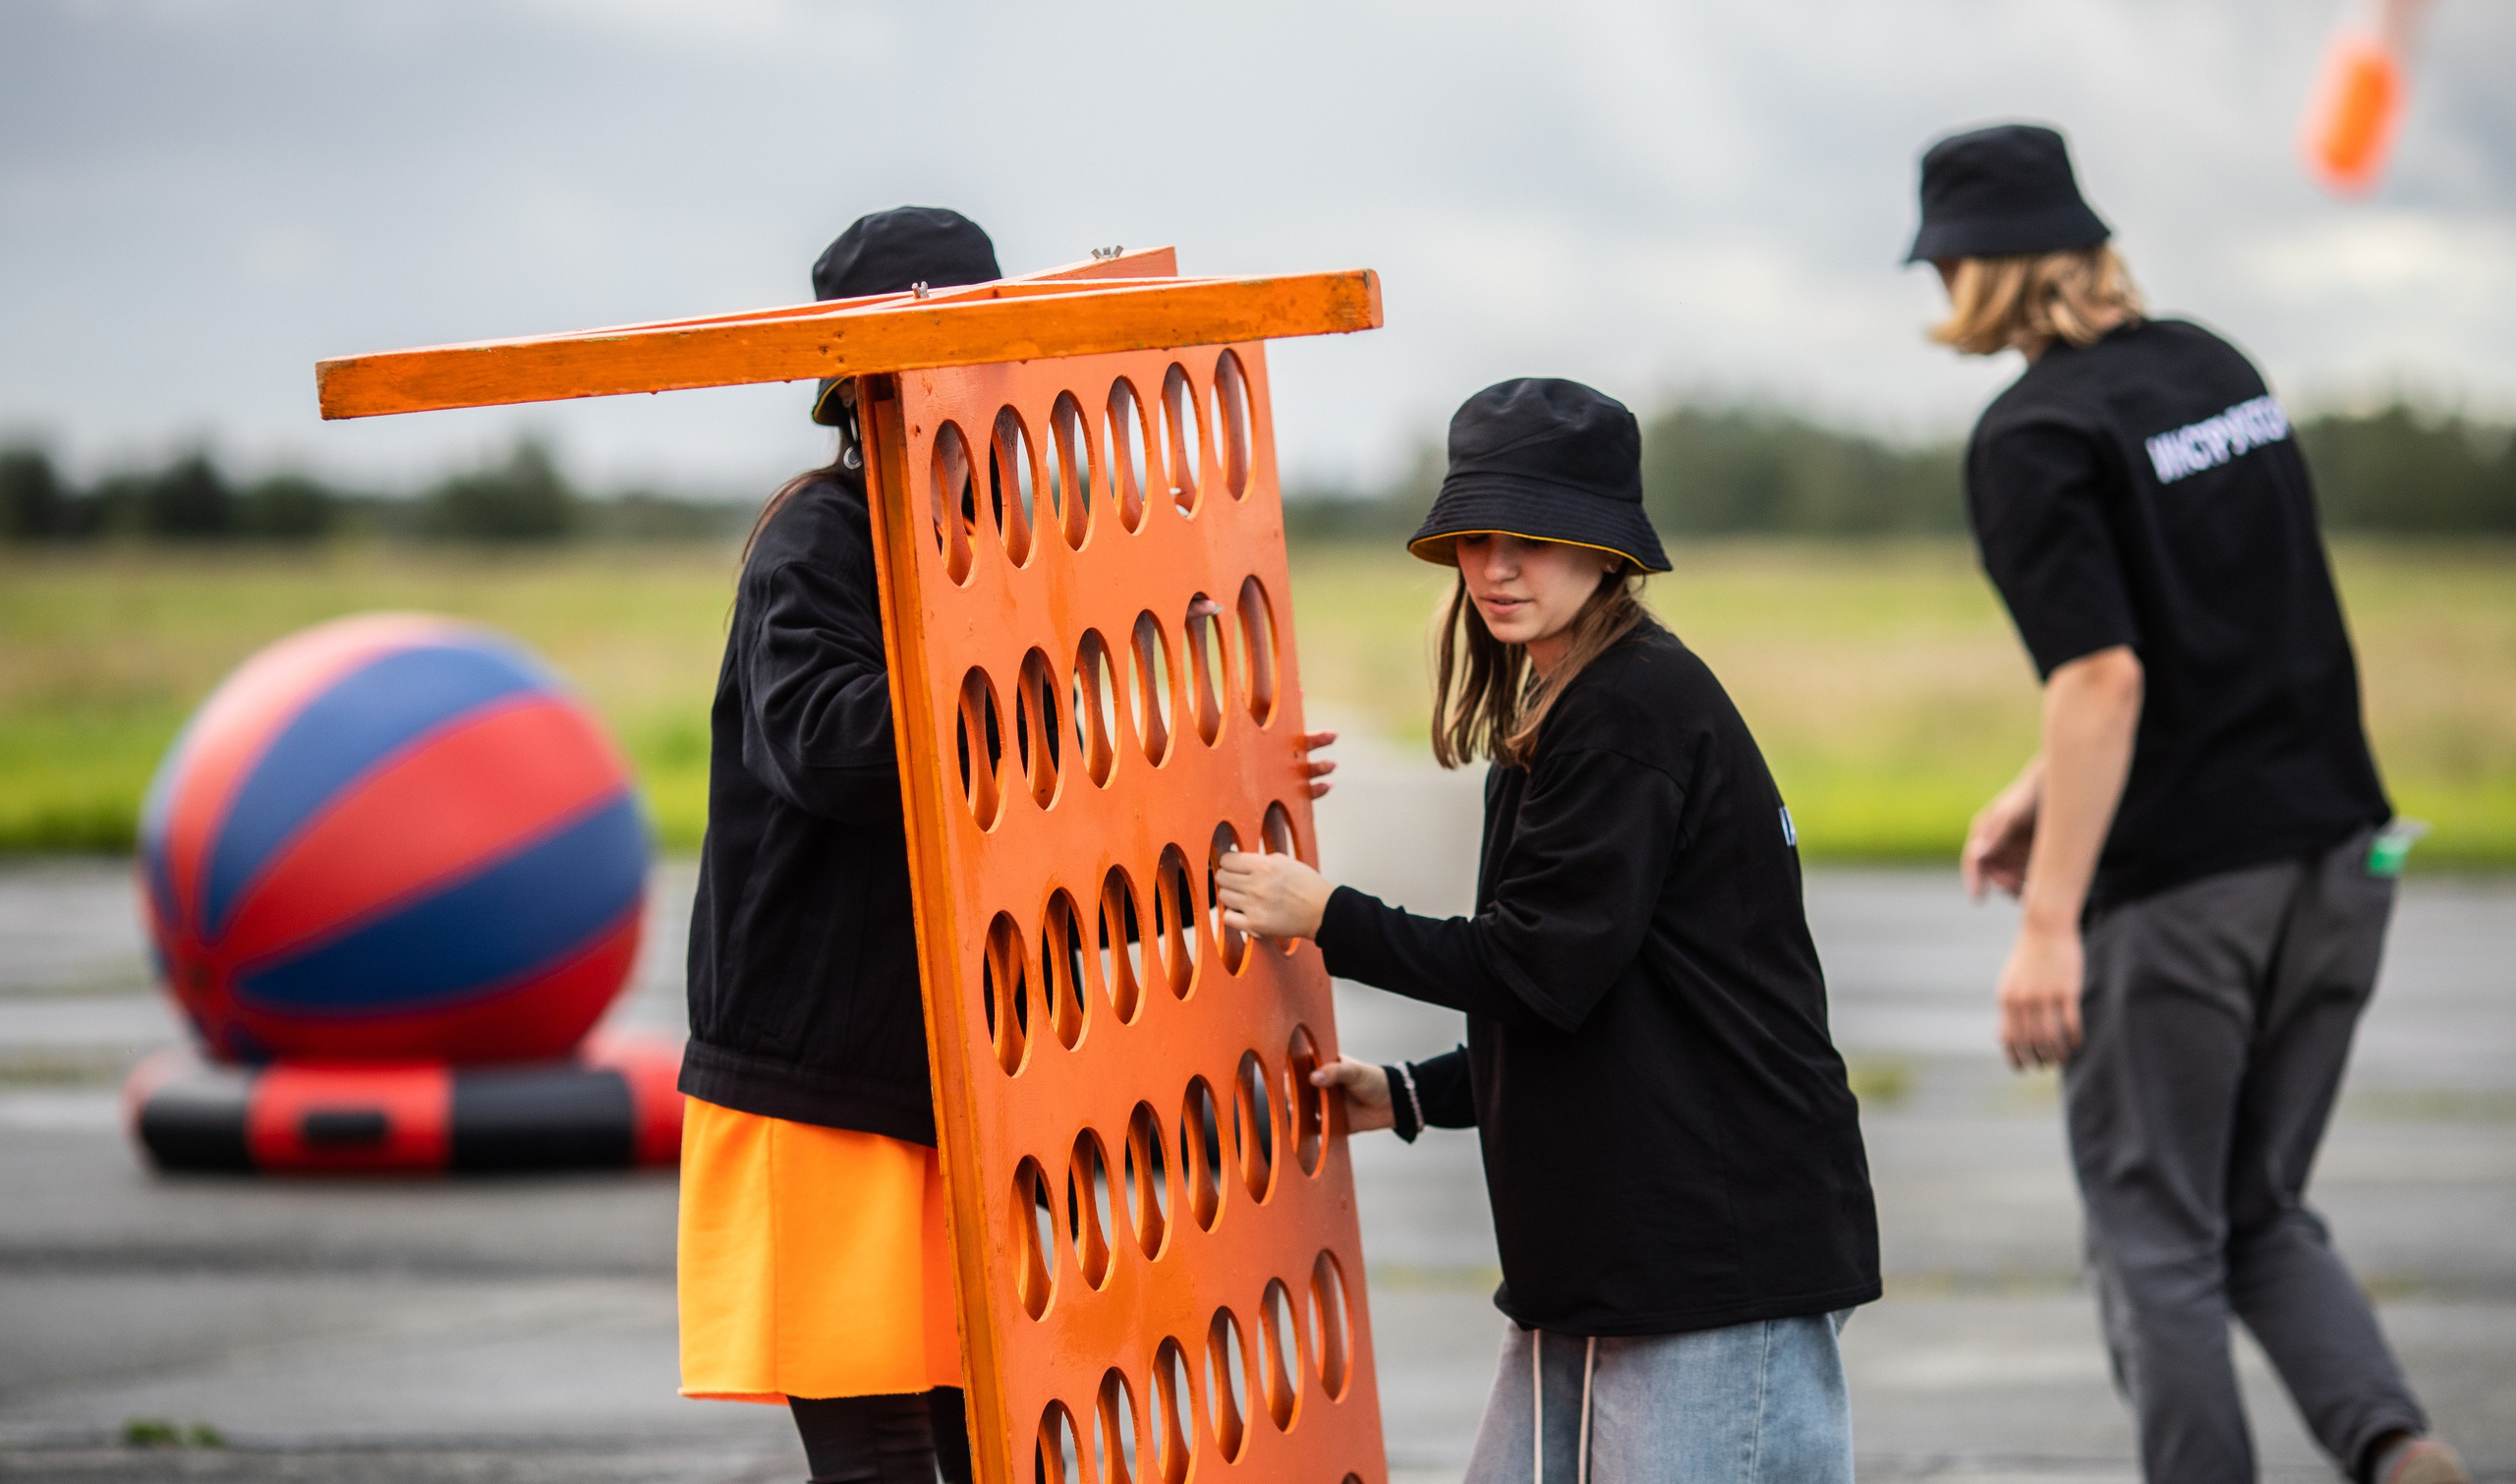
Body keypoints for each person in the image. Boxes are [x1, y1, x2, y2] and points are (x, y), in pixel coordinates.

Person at [1910, 124, 2465, 1484]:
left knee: (2157, 1232)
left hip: (2189, 893)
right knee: (2257, 1205)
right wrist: (2042, 789)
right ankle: (2401, 1454)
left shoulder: (2030, 432)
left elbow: (2102, 674)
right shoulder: (2214, 366)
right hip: (2345, 852)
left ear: (1978, 270)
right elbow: (2221, 629)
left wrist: (2050, 925)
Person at [1216, 378, 1880, 1484]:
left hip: (1706, 1264)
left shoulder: (1626, 712)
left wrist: (1327, 916)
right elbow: (1614, 998)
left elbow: (1536, 968)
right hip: (1620, 1260)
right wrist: (1424, 1091)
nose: (1495, 566)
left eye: (1533, 535)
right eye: (1474, 535)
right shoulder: (1575, 703)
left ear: (1606, 548)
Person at [673, 205, 1001, 1484]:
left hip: (951, 1076)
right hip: (821, 1082)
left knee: (989, 1437)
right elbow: (830, 743)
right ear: (854, 391)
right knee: (878, 1452)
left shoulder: (990, 546)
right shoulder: (819, 538)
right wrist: (1011, 691)